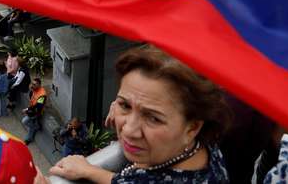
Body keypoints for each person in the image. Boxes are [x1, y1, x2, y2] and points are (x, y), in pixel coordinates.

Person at [49, 44, 231, 183]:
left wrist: (88, 171)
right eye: (125, 105)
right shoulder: (197, 146)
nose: (128, 130)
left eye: (153, 118)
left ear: (192, 128)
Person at [21, 78, 47, 145]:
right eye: (32, 83)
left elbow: (38, 106)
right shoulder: (34, 89)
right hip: (32, 109)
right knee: (31, 125)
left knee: (25, 121)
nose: (32, 85)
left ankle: (36, 127)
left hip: (36, 112)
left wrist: (27, 109)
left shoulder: (42, 95)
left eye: (34, 84)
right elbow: (31, 97)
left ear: (39, 85)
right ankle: (29, 138)